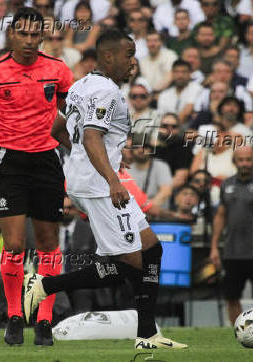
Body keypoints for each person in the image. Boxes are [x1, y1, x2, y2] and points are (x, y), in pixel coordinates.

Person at [23, 29, 187, 349]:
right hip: (101, 187)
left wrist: (90, 160)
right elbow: (93, 136)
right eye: (128, 55)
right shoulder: (105, 91)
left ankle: (148, 333)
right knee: (129, 263)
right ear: (109, 56)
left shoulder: (80, 85)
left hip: (92, 179)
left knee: (151, 248)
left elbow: (59, 129)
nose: (133, 63)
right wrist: (110, 177)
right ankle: (45, 285)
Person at [0, 7, 73, 346]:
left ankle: (44, 320)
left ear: (42, 36)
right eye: (23, 34)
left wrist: (74, 153)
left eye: (34, 34)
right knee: (14, 245)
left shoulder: (58, 70)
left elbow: (69, 115)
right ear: (11, 34)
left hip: (46, 160)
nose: (29, 40)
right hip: (8, 161)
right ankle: (14, 316)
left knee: (48, 246)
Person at [209, 146, 253, 325]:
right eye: (241, 160)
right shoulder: (227, 184)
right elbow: (220, 215)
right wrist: (214, 247)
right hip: (232, 251)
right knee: (232, 297)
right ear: (235, 162)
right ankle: (239, 333)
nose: (245, 163)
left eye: (249, 160)